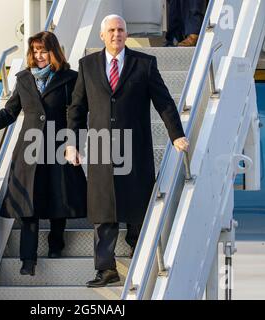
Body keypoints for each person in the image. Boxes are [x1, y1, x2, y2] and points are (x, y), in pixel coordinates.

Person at [65, 15, 189, 287]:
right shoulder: (87, 65)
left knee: (136, 202)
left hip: (135, 145)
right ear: (102, 35)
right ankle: (106, 269)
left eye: (121, 30)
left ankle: (139, 251)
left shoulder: (144, 64)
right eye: (111, 30)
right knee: (102, 209)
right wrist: (71, 143)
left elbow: (164, 102)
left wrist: (176, 135)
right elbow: (76, 108)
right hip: (99, 146)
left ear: (126, 33)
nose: (116, 34)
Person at [0, 31, 87, 276]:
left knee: (59, 197)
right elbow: (9, 113)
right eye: (35, 51)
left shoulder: (70, 78)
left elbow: (77, 112)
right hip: (29, 149)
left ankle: (56, 246)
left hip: (58, 144)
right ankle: (27, 259)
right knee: (27, 203)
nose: (39, 55)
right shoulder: (24, 79)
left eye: (44, 50)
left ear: (54, 51)